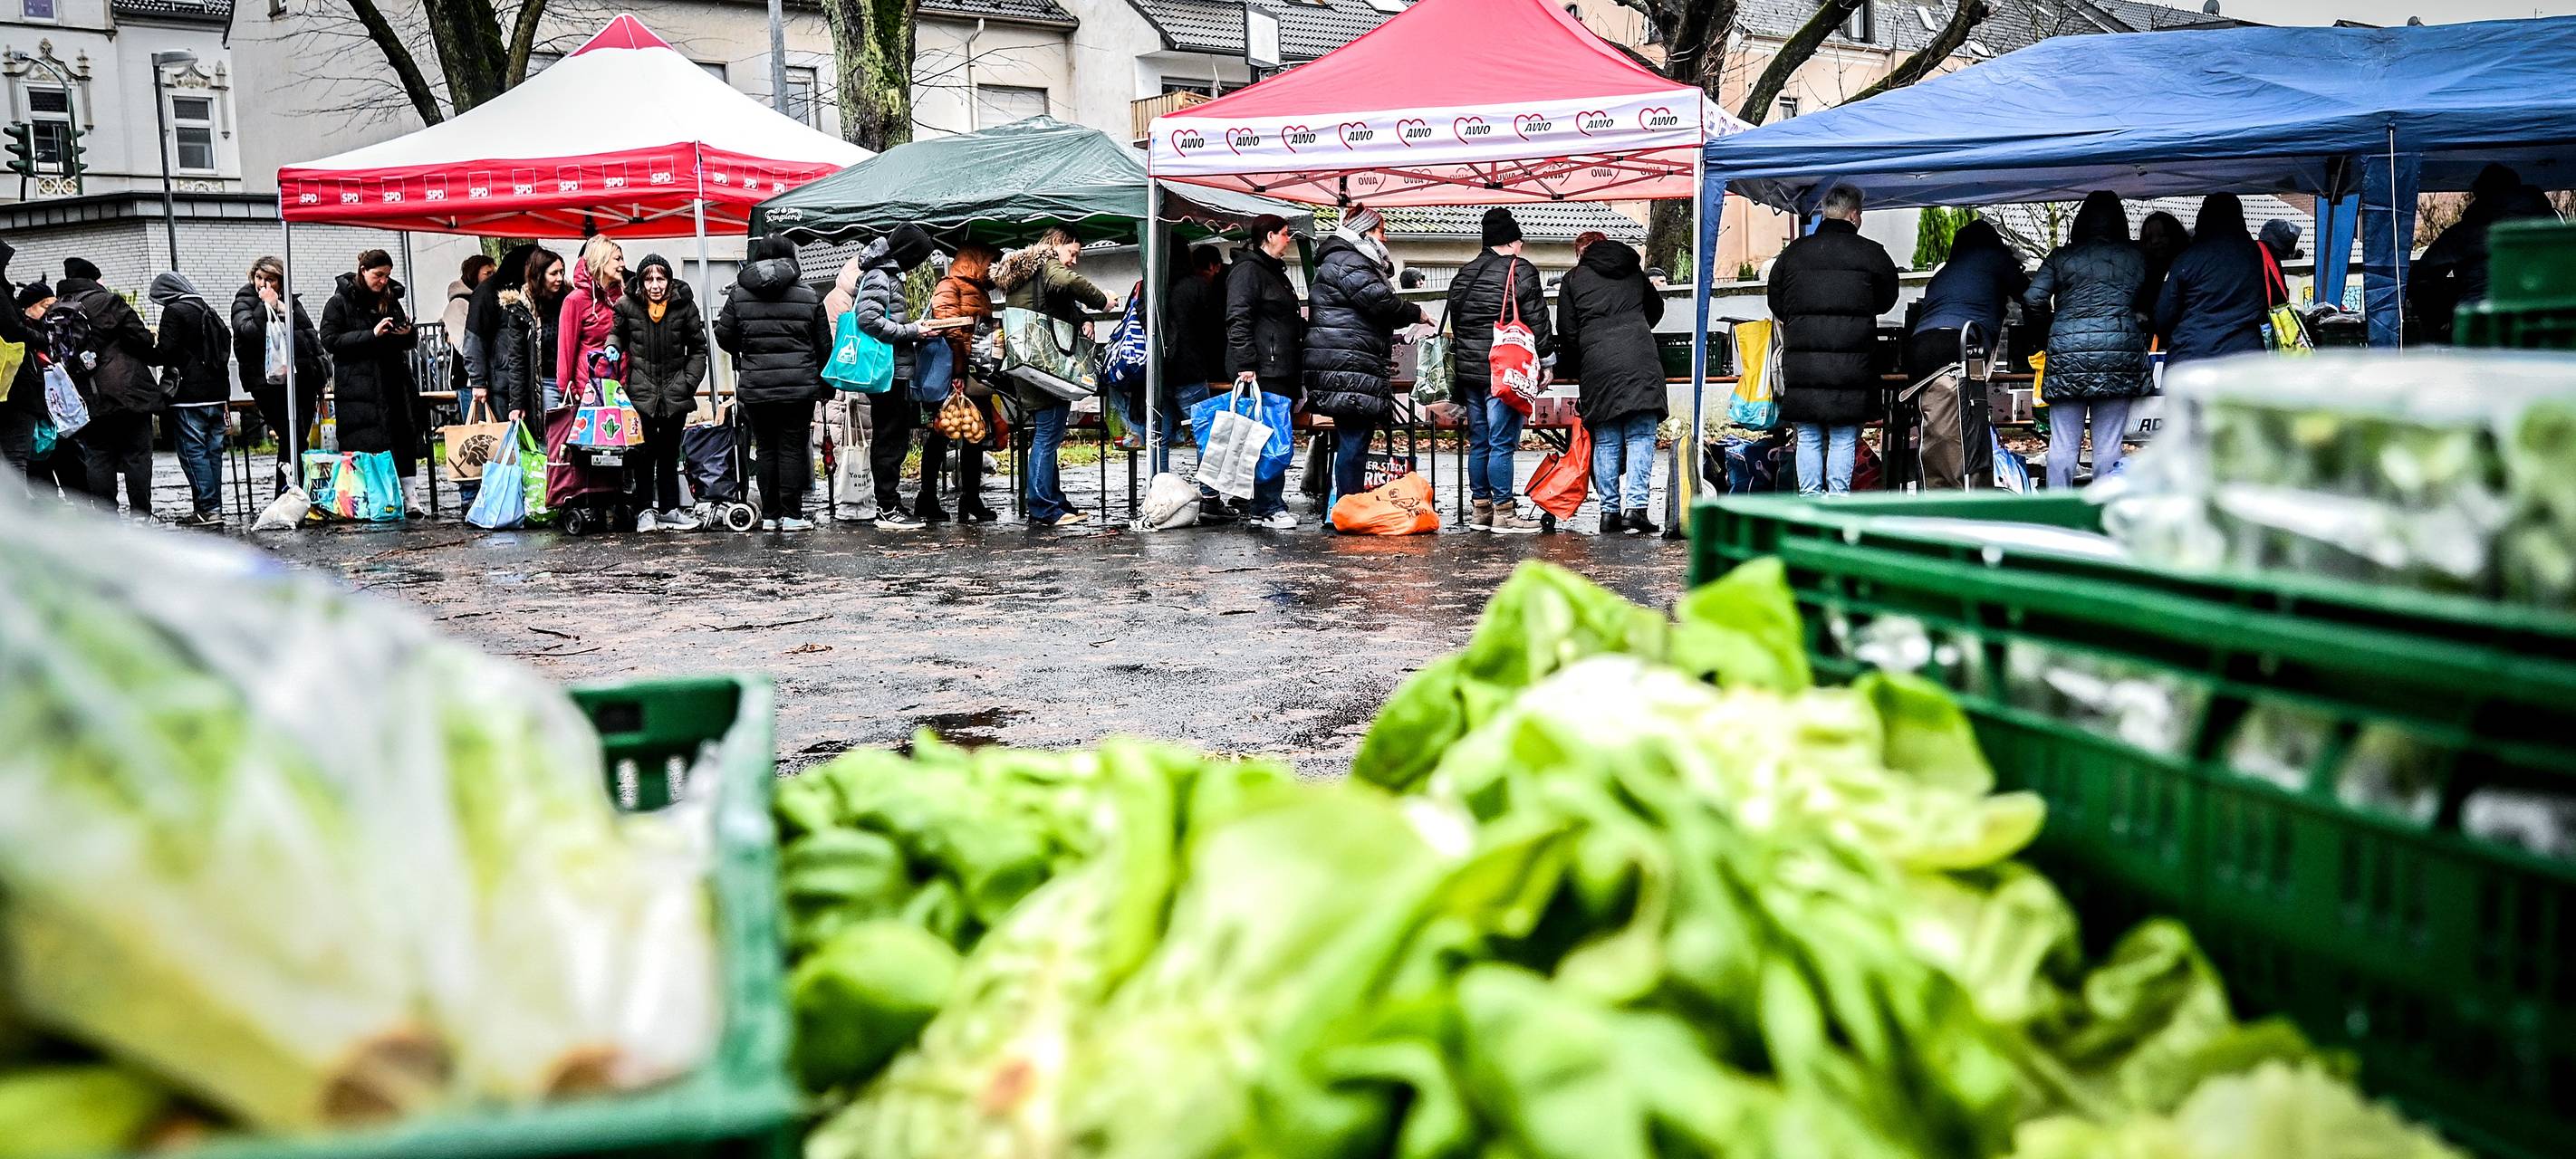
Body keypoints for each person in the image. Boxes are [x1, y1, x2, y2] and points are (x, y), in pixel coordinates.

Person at [1766, 185, 1898, 496]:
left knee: (1808, 436)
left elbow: (1776, 303)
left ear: (1825, 212)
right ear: (1854, 215)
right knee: (1843, 437)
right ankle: (1838, 502)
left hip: (1803, 366)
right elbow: (1887, 299)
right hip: (1852, 366)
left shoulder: (1793, 254)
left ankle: (1811, 503)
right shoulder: (1872, 253)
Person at [1304, 205, 1426, 522]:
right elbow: (1380, 301)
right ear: (1366, 232)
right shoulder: (1350, 262)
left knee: (1350, 440)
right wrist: (1415, 313)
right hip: (1349, 365)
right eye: (1381, 231)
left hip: (1344, 363)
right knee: (1354, 442)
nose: (1385, 238)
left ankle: (1345, 508)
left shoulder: (1341, 259)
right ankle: (1347, 511)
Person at [2024, 191, 2153, 489]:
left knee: (2063, 445)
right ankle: (2103, 515)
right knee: (2108, 446)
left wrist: (2050, 331)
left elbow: (2033, 298)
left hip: (2067, 354)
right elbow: (2149, 305)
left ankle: (2058, 515)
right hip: (2118, 354)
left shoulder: (2061, 256)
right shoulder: (2135, 257)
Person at [1447, 207, 1552, 532]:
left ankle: (1482, 510)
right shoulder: (1520, 270)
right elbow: (1536, 317)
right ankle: (1505, 512)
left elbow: (1457, 322)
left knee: (1481, 441)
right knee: (1502, 442)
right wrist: (1546, 361)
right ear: (1514, 242)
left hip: (1470, 371)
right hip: (1503, 370)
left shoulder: (1464, 273)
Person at [995, 226, 1109, 528]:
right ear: (1057, 245)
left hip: (1030, 362)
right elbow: (1067, 281)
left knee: (1049, 434)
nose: (1073, 261)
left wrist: (1084, 319)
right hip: (1045, 364)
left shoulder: (1027, 271)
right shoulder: (1048, 264)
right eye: (1072, 253)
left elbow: (1058, 304)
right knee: (1047, 437)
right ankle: (1043, 507)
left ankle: (1054, 501)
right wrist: (1103, 302)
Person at [716, 235, 831, 531]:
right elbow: (823, 346)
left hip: (756, 387)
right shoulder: (808, 294)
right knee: (792, 447)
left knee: (766, 448)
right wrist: (826, 387)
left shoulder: (739, 295)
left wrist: (747, 351)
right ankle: (793, 516)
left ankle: (770, 516)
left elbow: (723, 335)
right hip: (799, 387)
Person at [1554, 233, 1666, 534]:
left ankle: (1609, 512)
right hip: (1639, 357)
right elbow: (1656, 308)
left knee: (1606, 439)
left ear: (1582, 253)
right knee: (1641, 435)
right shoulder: (1633, 270)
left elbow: (1566, 330)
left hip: (1597, 364)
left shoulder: (1574, 279)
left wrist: (1589, 350)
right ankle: (1637, 509)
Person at [1906, 219, 2026, 490]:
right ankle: (1969, 485)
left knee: (1934, 424)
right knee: (1968, 423)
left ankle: (1936, 486)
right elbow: (2030, 295)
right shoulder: (1995, 259)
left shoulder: (1943, 273)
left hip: (1919, 347)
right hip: (1962, 344)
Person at [851, 223, 938, 530]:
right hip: (887, 371)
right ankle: (887, 506)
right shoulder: (880, 276)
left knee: (894, 436)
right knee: (890, 437)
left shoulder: (885, 274)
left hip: (894, 368)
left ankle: (890, 502)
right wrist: (912, 331)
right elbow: (868, 319)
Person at [55, 257, 159, 518]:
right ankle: (140, 515)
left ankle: (105, 518)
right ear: (94, 279)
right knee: (137, 455)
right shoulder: (108, 302)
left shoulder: (57, 310)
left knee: (98, 455)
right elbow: (141, 340)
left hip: (84, 395)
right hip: (126, 392)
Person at [318, 249, 424, 502]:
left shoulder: (390, 299)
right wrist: (370, 334)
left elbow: (409, 340)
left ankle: (409, 496)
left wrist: (406, 333)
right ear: (363, 271)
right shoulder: (338, 303)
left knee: (402, 439)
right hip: (358, 386)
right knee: (366, 444)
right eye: (379, 275)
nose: (384, 281)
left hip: (394, 381)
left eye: (388, 276)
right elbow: (329, 340)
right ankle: (369, 498)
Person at [612, 254, 706, 532]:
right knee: (643, 454)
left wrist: (688, 383)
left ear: (669, 280)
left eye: (661, 278)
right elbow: (617, 334)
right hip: (641, 393)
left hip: (675, 392)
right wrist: (612, 347)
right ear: (641, 282)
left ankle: (669, 509)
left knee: (669, 454)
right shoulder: (627, 305)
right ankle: (645, 511)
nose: (655, 285)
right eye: (649, 279)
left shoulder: (684, 306)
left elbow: (698, 348)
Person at [2413, 163, 2559, 340]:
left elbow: (2420, 277)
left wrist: (2443, 315)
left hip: (2478, 320)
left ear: (2479, 193)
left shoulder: (2463, 232)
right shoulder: (2551, 225)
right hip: (2540, 320)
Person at [1223, 215, 1303, 527]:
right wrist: (1246, 362)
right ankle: (1268, 505)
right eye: (1285, 234)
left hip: (1277, 365)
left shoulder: (1270, 271)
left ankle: (1262, 503)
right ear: (1269, 236)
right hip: (1264, 368)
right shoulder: (1249, 272)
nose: (1288, 240)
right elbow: (1238, 317)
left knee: (1269, 436)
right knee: (1271, 439)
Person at [923, 241, 1003, 523]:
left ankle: (970, 497)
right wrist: (958, 371)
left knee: (975, 434)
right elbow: (947, 327)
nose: (995, 270)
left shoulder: (981, 292)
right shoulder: (949, 285)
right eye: (991, 263)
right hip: (954, 372)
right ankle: (927, 497)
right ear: (978, 261)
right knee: (941, 432)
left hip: (976, 372)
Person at [231, 256, 323, 493]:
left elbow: (309, 337)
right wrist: (266, 308)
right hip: (267, 383)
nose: (263, 284)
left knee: (297, 438)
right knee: (292, 435)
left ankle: (293, 491)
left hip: (301, 379)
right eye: (259, 278)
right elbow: (247, 332)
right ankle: (288, 492)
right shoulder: (244, 300)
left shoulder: (291, 302)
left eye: (270, 279)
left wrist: (285, 311)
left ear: (280, 282)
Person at [149, 273, 230, 528]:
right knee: (212, 452)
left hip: (188, 395)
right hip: (217, 392)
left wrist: (148, 348)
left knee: (193, 451)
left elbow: (165, 351)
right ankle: (212, 507)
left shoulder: (174, 312)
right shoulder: (207, 308)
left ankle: (208, 508)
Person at [2154, 193, 2267, 369]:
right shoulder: (2259, 255)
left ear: (2202, 219)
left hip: (2193, 356)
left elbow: (2163, 317)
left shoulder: (2187, 259)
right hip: (2246, 359)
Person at [1158, 245, 1227, 475]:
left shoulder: (1153, 286)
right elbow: (1216, 331)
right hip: (1190, 371)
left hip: (1158, 373)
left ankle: (1158, 488)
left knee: (1160, 438)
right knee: (1205, 434)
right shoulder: (1196, 287)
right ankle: (1209, 496)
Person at [20, 281, 91, 500]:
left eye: (52, 305)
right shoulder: (20, 333)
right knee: (40, 473)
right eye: (44, 305)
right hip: (35, 414)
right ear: (27, 307)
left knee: (73, 470)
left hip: (62, 415)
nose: (49, 311)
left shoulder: (57, 330)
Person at [465, 243, 538, 419]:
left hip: (520, 380)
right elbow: (474, 339)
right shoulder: (487, 291)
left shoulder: (529, 289)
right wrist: (478, 382)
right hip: (500, 383)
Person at [496, 247, 565, 422]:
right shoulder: (522, 310)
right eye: (554, 273)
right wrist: (517, 404)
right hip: (545, 384)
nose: (560, 278)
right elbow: (517, 358)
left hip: (571, 383)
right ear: (539, 275)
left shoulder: (568, 299)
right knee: (550, 439)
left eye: (562, 272)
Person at [558, 235, 623, 407]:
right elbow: (566, 351)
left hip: (619, 390)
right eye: (617, 259)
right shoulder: (576, 300)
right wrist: (569, 391)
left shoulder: (620, 299)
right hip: (588, 391)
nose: (622, 265)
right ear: (601, 260)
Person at [0, 244, 44, 493]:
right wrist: (40, 337)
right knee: (16, 457)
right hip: (14, 385)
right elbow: (12, 329)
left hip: (10, 386)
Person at [442, 254, 494, 417]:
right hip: (469, 381)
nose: (492, 278)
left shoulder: (485, 299)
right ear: (473, 274)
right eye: (488, 273)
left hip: (489, 377)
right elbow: (466, 346)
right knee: (479, 434)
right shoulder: (459, 304)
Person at [2137, 211, 2189, 298]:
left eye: (2162, 235)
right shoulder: (2142, 272)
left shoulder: (2188, 267)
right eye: (2149, 237)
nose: (2155, 241)